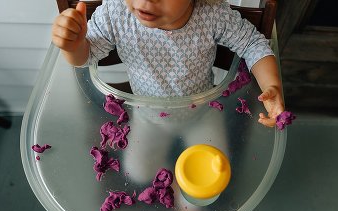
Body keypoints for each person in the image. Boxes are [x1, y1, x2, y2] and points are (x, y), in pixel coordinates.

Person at [52, 0, 284, 127]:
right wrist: (73, 46)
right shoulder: (116, 12)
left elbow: (253, 45)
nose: (144, 2)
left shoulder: (212, 15)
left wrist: (272, 85)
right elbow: (86, 56)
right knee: (138, 172)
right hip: (146, 115)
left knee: (208, 172)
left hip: (202, 113)